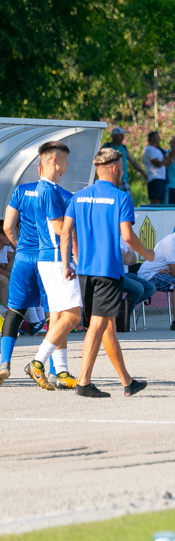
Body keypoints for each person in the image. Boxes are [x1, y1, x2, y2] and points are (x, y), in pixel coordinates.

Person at [61, 148, 155, 398]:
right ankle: (83, 382)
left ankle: (127, 381)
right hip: (108, 271)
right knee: (98, 325)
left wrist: (69, 262)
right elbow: (127, 235)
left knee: (108, 326)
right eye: (122, 166)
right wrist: (146, 253)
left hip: (85, 272)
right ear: (114, 168)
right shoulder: (121, 198)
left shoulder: (78, 197)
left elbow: (66, 231)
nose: (123, 170)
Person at [28, 141, 79, 391]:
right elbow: (59, 228)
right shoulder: (47, 190)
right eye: (65, 160)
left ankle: (61, 372)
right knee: (74, 314)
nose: (67, 165)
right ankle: (38, 362)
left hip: (50, 258)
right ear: (54, 161)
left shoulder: (52, 189)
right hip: (57, 258)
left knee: (59, 316)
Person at [0, 176, 53, 387]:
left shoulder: (21, 191)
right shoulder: (57, 192)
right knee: (54, 314)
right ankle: (57, 369)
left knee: (14, 311)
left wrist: (19, 246)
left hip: (23, 257)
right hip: (46, 257)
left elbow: (8, 227)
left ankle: (4, 363)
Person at [102, 127, 146, 196]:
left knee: (127, 199)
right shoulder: (107, 146)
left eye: (123, 135)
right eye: (120, 135)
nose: (122, 137)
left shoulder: (124, 148)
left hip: (123, 179)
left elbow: (133, 161)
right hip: (110, 180)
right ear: (114, 136)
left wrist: (142, 172)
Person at [142, 131, 175, 205]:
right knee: (155, 200)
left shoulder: (157, 150)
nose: (159, 138)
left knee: (160, 200)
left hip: (160, 179)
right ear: (152, 138)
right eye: (157, 136)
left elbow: (165, 164)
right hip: (154, 178)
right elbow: (158, 164)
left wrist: (171, 157)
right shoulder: (150, 149)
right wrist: (167, 157)